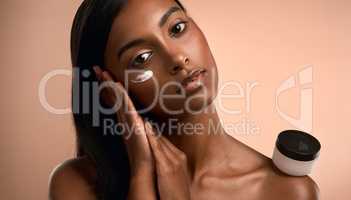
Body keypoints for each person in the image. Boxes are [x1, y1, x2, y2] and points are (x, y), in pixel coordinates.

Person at [48, 0, 320, 199]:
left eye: (177, 28)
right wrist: (141, 174)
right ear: (110, 88)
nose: (177, 58)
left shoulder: (286, 191)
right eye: (142, 58)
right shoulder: (76, 185)